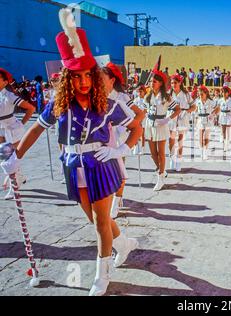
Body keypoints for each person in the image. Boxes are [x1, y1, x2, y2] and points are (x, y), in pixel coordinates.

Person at [1, 21, 143, 296]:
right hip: (73, 167)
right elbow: (35, 129)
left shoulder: (109, 104)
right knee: (94, 218)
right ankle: (122, 242)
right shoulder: (59, 105)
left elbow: (137, 124)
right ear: (67, 77)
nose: (83, 81)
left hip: (100, 165)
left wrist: (121, 150)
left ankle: (102, 275)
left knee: (101, 222)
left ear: (93, 74)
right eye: (76, 76)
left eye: (87, 75)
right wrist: (16, 156)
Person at [101, 62, 144, 218]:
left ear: (112, 80)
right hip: (102, 138)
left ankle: (117, 200)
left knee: (119, 169)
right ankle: (110, 197)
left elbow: (140, 114)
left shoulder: (122, 96)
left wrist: (128, 128)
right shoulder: (99, 95)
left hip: (120, 137)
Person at [0, 68, 35, 199]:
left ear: (5, 82)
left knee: (10, 159)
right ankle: (19, 176)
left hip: (11, 129)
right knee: (5, 158)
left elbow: (31, 108)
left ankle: (13, 188)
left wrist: (21, 123)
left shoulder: (9, 95)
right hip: (1, 130)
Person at [143, 70, 181, 191]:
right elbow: (143, 111)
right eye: (151, 81)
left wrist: (167, 119)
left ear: (160, 83)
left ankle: (160, 178)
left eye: (154, 81)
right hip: (149, 125)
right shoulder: (147, 96)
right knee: (153, 154)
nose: (151, 83)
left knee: (161, 153)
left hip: (161, 125)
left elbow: (178, 109)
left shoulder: (166, 97)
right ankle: (162, 171)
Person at [168, 74, 195, 172]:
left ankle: (178, 160)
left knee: (180, 140)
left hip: (182, 118)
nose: (173, 85)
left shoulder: (186, 94)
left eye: (175, 83)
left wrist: (187, 111)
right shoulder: (168, 94)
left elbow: (194, 106)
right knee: (171, 140)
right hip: (171, 117)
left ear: (180, 83)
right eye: (171, 83)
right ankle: (172, 158)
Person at [196, 85, 218, 160]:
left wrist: (213, 114)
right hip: (200, 120)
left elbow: (218, 108)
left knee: (206, 136)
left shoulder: (211, 101)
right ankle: (201, 151)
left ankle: (205, 152)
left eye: (201, 94)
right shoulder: (197, 101)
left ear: (206, 93)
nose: (200, 95)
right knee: (200, 137)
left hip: (208, 120)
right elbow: (195, 109)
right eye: (199, 94)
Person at [217, 86, 231, 153]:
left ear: (228, 93)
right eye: (222, 92)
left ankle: (227, 142)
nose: (224, 93)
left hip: (228, 115)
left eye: (225, 92)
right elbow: (218, 108)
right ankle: (225, 143)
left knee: (228, 130)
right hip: (222, 115)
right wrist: (213, 114)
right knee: (223, 130)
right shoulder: (220, 100)